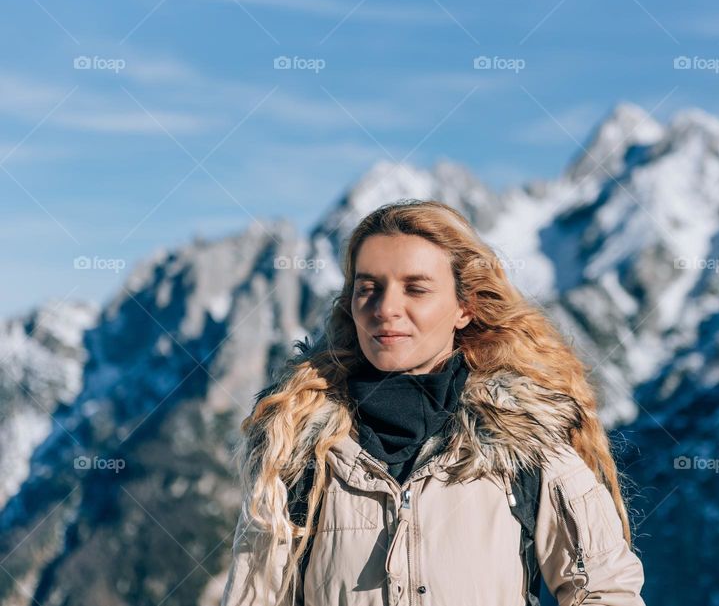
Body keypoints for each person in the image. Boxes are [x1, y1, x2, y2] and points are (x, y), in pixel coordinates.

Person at [220, 199, 648, 606]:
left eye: (416, 289)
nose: (386, 308)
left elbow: (606, 591)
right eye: (368, 288)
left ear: (465, 307)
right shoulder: (298, 450)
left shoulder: (527, 443)